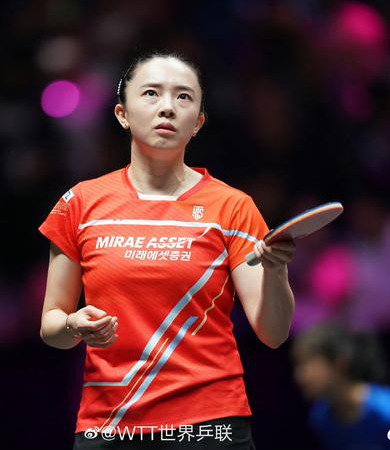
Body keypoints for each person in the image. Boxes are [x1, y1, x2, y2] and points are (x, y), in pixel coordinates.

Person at [38, 52, 296, 449]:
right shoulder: (80, 204)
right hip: (111, 424)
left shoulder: (232, 207)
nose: (167, 107)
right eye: (151, 93)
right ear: (123, 114)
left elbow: (274, 334)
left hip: (209, 423)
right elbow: (51, 326)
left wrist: (276, 272)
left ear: (198, 123)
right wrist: (73, 325)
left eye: (183, 97)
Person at [291, 323, 390, 449]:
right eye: (297, 366)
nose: (300, 376)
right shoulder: (321, 418)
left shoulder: (387, 410)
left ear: (339, 363)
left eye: (308, 365)